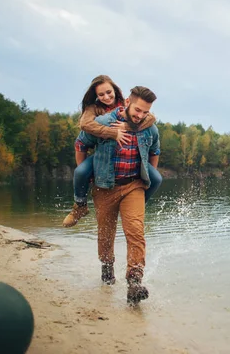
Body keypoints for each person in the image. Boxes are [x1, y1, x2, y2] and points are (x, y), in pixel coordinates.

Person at [73, 86, 161, 305]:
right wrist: (87, 173)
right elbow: (81, 143)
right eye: (138, 109)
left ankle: (134, 281)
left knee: (136, 231)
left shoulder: (150, 129)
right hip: (104, 187)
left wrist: (146, 177)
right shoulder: (104, 123)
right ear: (128, 101)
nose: (141, 115)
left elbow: (154, 153)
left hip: (133, 186)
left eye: (145, 112)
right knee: (105, 233)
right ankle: (107, 268)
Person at [62, 75, 160, 228]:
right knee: (81, 172)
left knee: (157, 179)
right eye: (101, 94)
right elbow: (85, 126)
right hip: (103, 154)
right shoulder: (93, 109)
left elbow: (149, 118)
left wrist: (127, 127)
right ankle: (80, 206)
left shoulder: (126, 104)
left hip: (129, 158)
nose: (106, 97)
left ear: (115, 90)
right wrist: (113, 133)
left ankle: (138, 204)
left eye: (109, 92)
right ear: (95, 96)